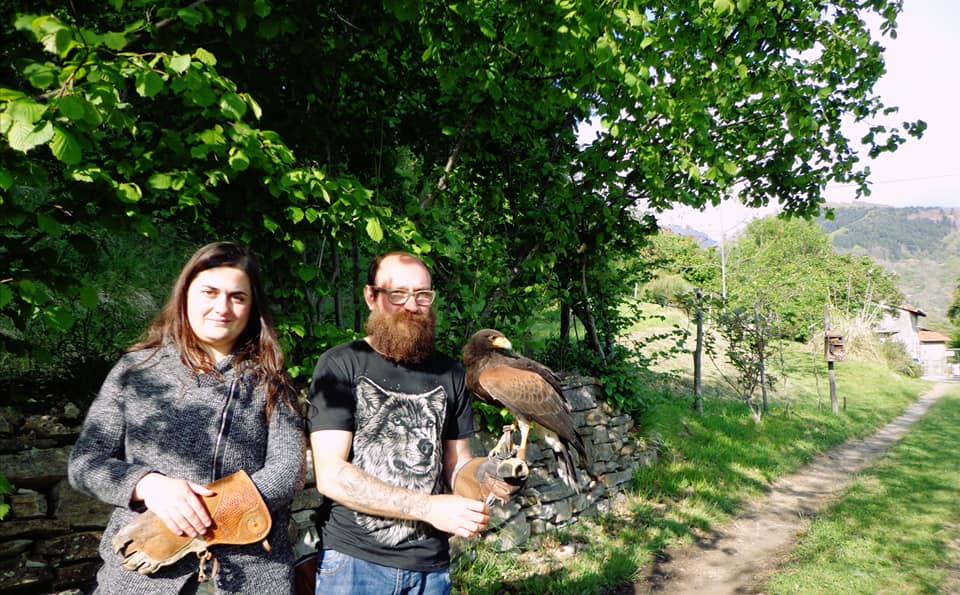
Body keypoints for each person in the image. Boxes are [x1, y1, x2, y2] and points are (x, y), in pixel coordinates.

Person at [68, 241, 306, 594]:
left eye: (237, 297)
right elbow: (85, 463)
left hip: (250, 575)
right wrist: (149, 485)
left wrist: (203, 511)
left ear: (252, 306)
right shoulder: (136, 370)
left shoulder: (272, 381)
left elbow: (288, 471)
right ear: (185, 295)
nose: (222, 308)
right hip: (142, 577)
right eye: (209, 292)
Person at [307, 251, 523, 595]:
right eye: (398, 294)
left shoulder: (449, 373)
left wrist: (488, 475)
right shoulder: (340, 365)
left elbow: (458, 466)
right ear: (370, 296)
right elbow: (331, 475)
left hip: (430, 567)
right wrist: (429, 507)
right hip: (355, 564)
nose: (412, 305)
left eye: (422, 294)